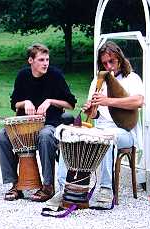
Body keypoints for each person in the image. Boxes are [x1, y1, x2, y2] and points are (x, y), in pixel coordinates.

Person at [49, 41, 144, 205]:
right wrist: (91, 110)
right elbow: (94, 115)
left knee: (105, 137)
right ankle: (64, 189)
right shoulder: (98, 81)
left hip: (125, 132)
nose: (108, 66)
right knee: (69, 137)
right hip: (100, 127)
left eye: (111, 61)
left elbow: (138, 101)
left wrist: (107, 101)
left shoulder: (132, 78)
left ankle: (106, 188)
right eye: (104, 63)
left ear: (120, 59)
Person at [0, 43, 77, 202]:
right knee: (0, 136)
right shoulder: (22, 76)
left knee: (45, 136)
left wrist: (51, 101)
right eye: (41, 60)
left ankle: (47, 186)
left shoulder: (55, 76)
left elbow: (70, 104)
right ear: (30, 61)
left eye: (47, 59)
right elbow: (14, 105)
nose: (45, 63)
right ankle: (15, 184)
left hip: (50, 124)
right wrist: (25, 102)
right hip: (24, 126)